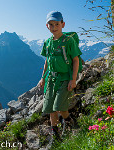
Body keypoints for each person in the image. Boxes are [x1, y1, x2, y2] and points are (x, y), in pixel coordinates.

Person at [38, 11, 82, 145]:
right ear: (47, 26)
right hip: (51, 78)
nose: (54, 27)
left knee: (59, 107)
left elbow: (75, 60)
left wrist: (73, 79)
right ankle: (55, 134)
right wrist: (43, 77)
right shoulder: (47, 42)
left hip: (65, 78)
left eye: (57, 24)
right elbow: (47, 60)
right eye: (51, 24)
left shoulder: (69, 41)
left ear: (63, 24)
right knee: (50, 108)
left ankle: (68, 120)